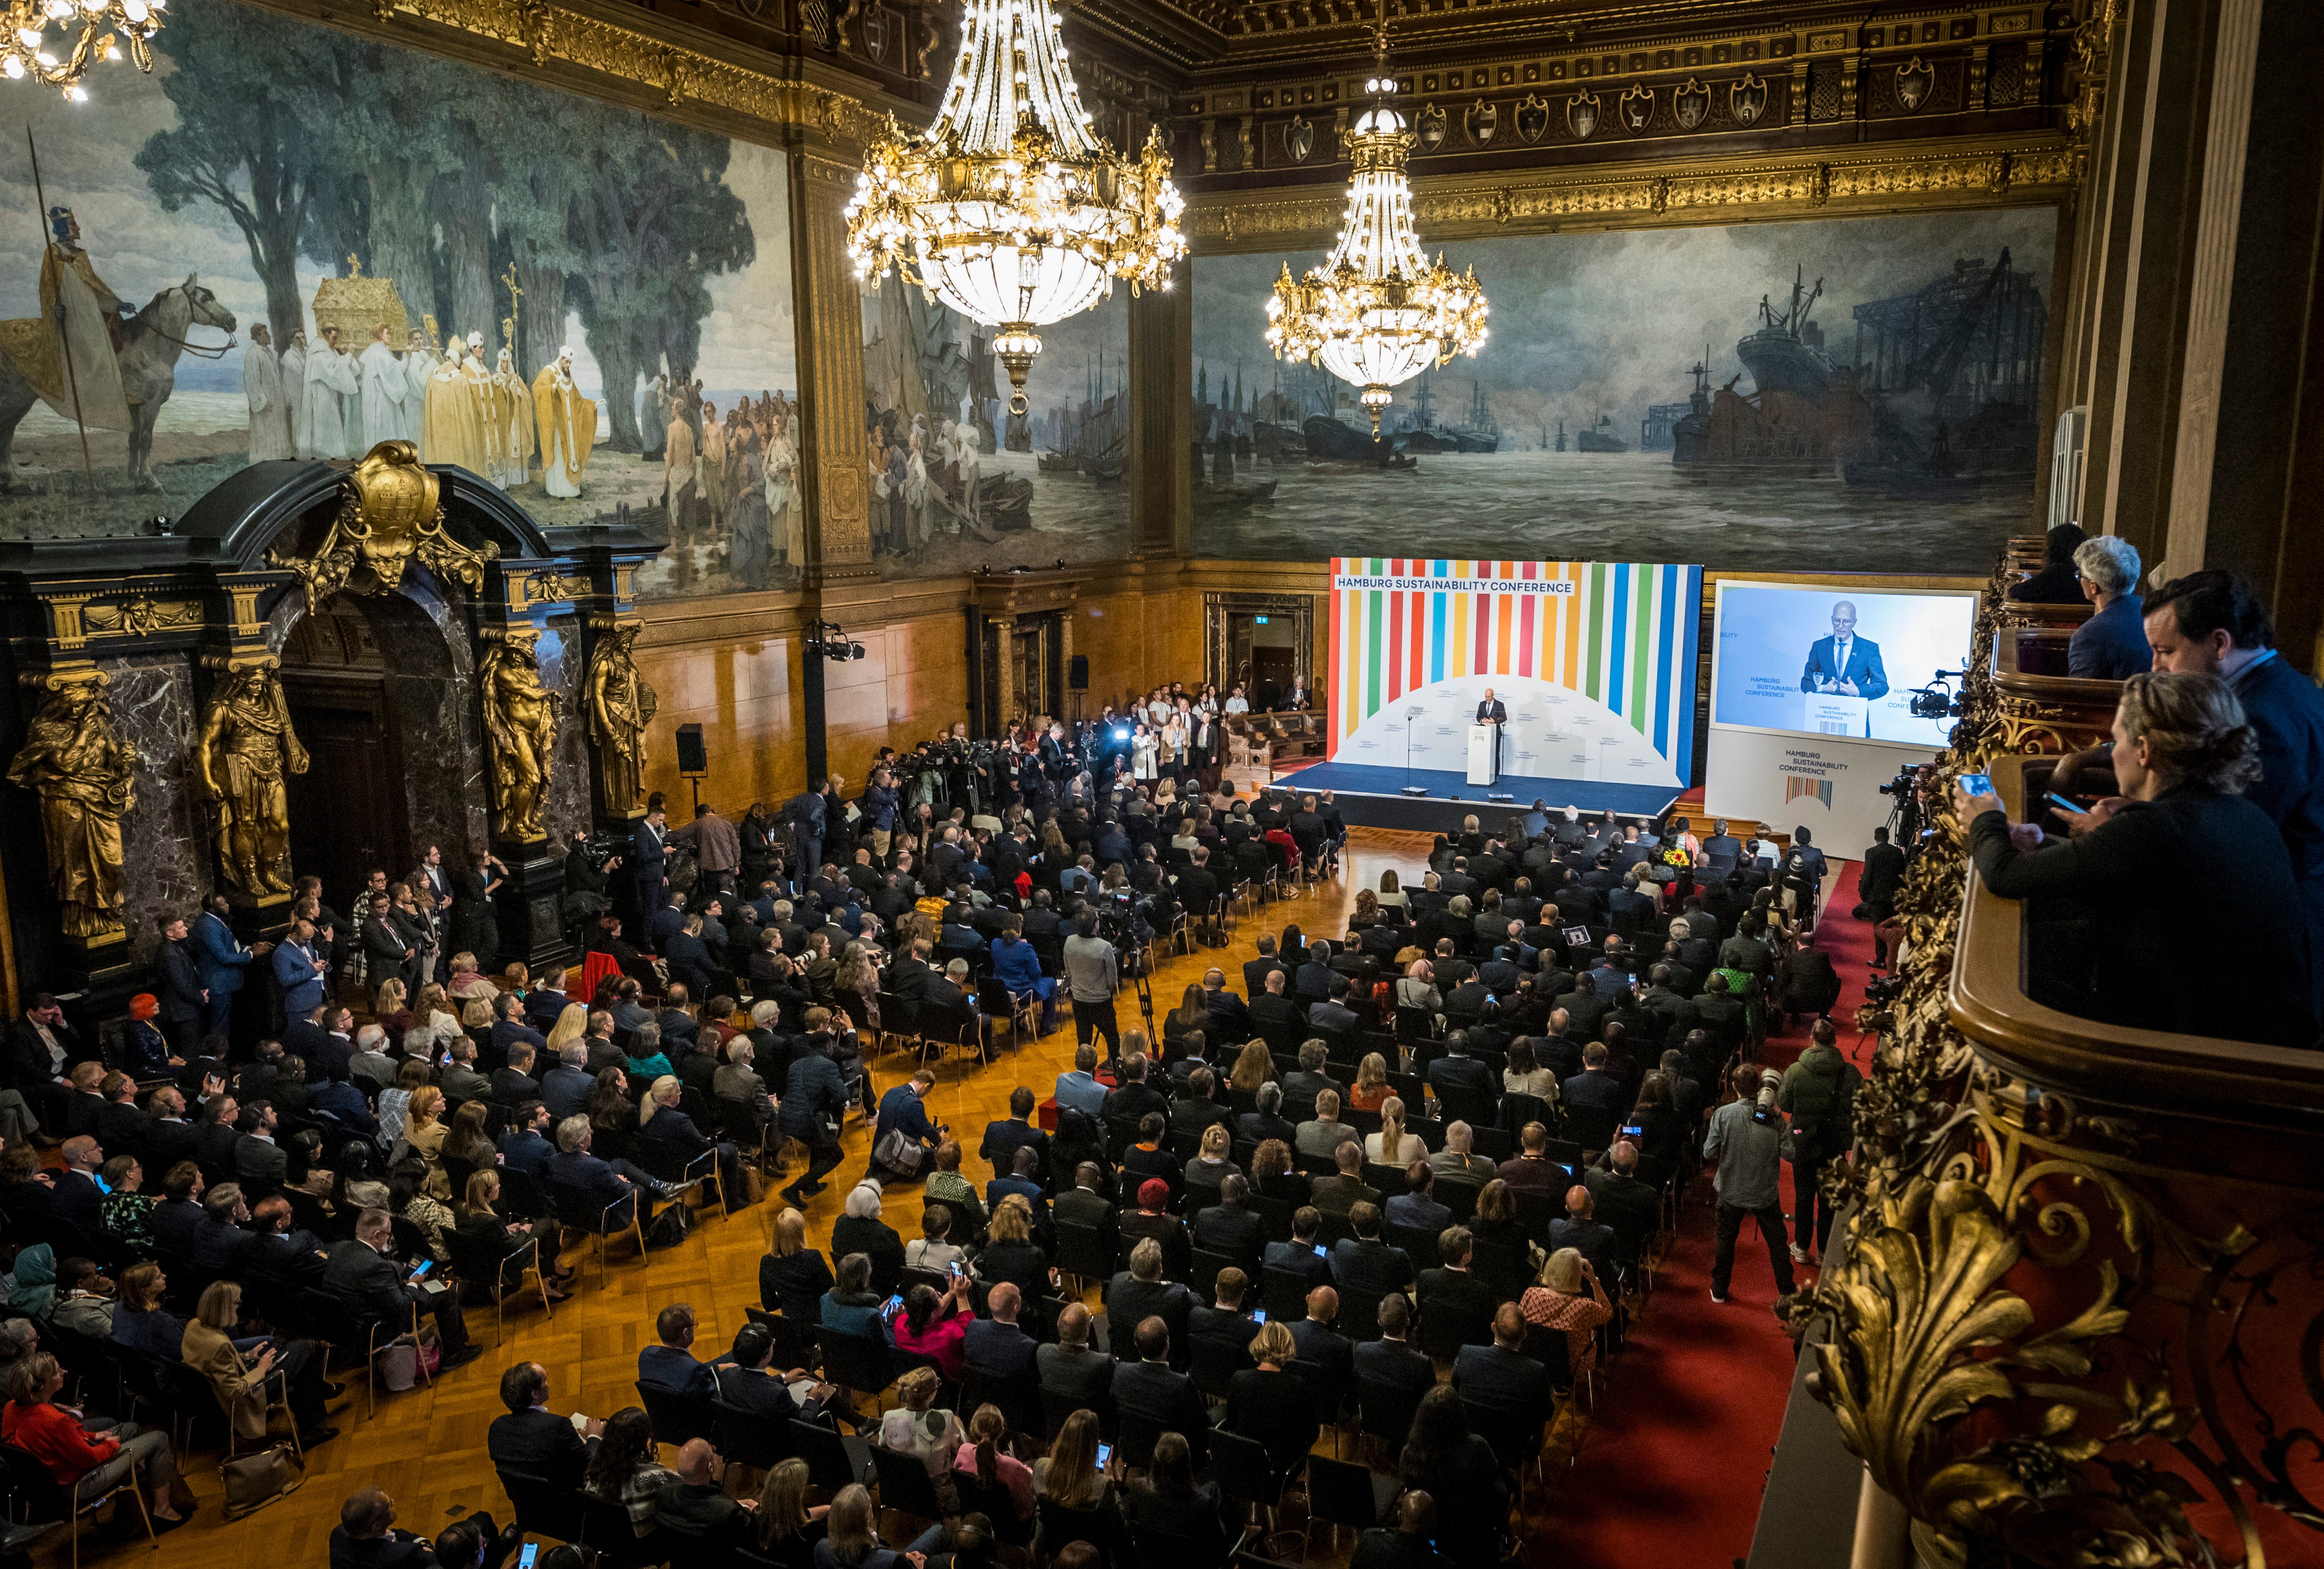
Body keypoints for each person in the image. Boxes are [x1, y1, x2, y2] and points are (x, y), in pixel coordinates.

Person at [1958, 673, 2315, 1046]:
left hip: (2179, 1057)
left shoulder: (2152, 830)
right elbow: (2136, 880)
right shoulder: (2250, 817)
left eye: (2116, 739)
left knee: (1986, 976)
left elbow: (2003, 875)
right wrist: (2041, 843)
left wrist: (1984, 815)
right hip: (2260, 1042)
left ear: (2144, 751)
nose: (2111, 752)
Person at [2142, 570, 2324, 1023]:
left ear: (2219, 644)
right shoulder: (2283, 684)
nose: (2155, 669)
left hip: (2284, 938)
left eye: (2166, 652)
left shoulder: (2259, 719)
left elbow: (2234, 843)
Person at [3, 1352, 185, 1526]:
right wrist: (110, 1444)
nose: (64, 1372)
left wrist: (94, 1436)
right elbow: (89, 1459)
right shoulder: (55, 1421)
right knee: (159, 1438)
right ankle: (163, 1510)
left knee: (130, 1429)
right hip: (79, 1485)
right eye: (58, 1372)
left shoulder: (12, 1408)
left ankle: (139, 1499)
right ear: (43, 1385)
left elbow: (59, 1440)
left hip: (51, 1485)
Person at [182, 1278, 337, 1448]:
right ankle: (315, 1420)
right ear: (224, 1309)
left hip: (220, 1390)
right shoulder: (220, 1345)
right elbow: (235, 1391)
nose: (239, 1307)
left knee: (289, 1351)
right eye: (236, 1304)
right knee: (304, 1351)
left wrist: (249, 1355)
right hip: (246, 1397)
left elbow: (213, 1363)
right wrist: (261, 1369)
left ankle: (315, 1424)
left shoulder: (194, 1325)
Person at [1704, 1065, 1796, 1305]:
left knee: (1725, 1242)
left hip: (1730, 1192)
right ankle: (1787, 1291)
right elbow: (1790, 1153)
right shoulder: (1774, 1119)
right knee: (1778, 1244)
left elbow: (1709, 1152)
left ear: (1734, 1087)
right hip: (1765, 1194)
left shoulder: (1723, 1115)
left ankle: (1720, 1290)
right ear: (1759, 1086)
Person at [1778, 1020, 1860, 1262]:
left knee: (1803, 1196)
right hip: (1835, 1142)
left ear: (1811, 1040)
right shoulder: (1851, 1073)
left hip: (1804, 1141)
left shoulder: (1795, 1071)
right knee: (1829, 1198)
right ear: (1835, 1041)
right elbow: (1859, 1107)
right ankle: (1824, 1250)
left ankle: (1802, 1247)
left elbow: (1784, 1104)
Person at [1396, 1385, 1507, 1565]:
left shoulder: (1409, 1454)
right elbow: (1498, 1496)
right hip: (1470, 1544)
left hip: (1428, 1543)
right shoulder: (1477, 1448)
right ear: (1459, 1417)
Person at [488, 1361, 601, 1492]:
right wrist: (594, 1436)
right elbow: (588, 1466)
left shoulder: (497, 1427)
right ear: (535, 1394)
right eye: (545, 1380)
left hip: (527, 1503)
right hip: (567, 1502)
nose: (548, 1383)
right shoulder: (557, 1425)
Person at [583, 1406, 676, 1538]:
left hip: (608, 1540)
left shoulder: (595, 1473)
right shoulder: (656, 1476)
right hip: (648, 1548)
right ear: (643, 1441)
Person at [2066, 535, 2150, 680]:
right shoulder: (2153, 614)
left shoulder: (2090, 635)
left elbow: (2080, 696)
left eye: (2080, 576)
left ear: (2093, 587)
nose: (2079, 580)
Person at [1798, 599, 1889, 705]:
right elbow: (1806, 683)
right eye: (1837, 621)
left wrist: (1858, 691)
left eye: (1846, 622)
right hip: (1823, 713)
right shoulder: (1819, 647)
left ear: (1855, 622)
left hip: (1855, 716)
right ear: (1832, 620)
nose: (1840, 626)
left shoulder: (1869, 649)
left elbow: (1882, 686)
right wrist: (1822, 688)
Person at [2011, 522, 2088, 603]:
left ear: (2053, 549)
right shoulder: (2087, 569)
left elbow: (2016, 592)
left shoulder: (2059, 572)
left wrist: (2026, 583)